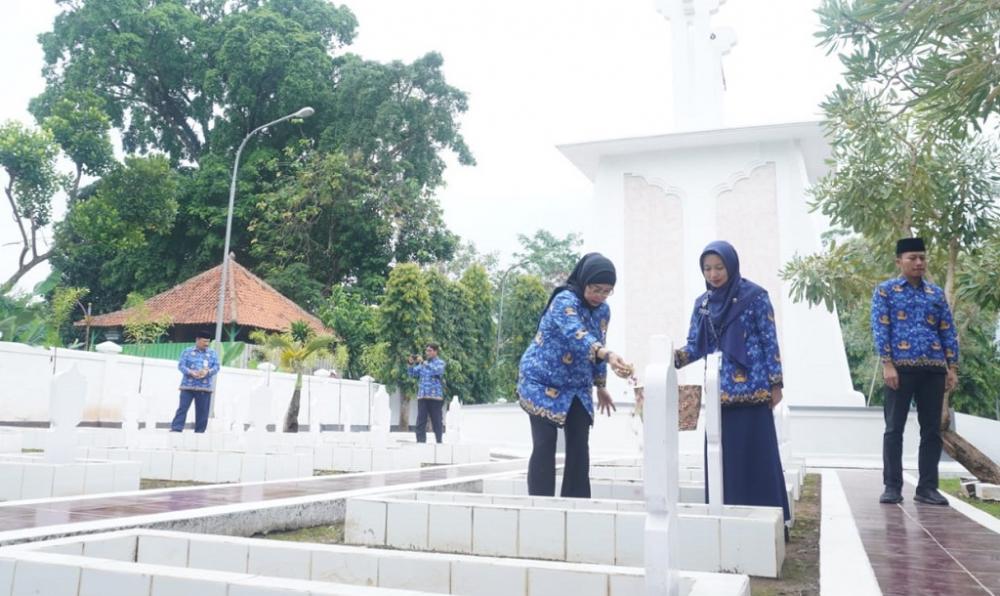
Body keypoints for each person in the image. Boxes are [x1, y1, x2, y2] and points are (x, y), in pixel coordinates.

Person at [674, 241, 791, 526]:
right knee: (722, 461)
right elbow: (696, 345)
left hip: (754, 390)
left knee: (758, 458)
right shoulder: (702, 305)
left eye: (719, 267)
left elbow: (769, 340)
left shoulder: (755, 297)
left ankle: (769, 521)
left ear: (731, 265)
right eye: (707, 269)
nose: (713, 274)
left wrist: (776, 384)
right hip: (719, 395)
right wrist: (670, 359)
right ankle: (725, 520)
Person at [518, 253, 632, 498]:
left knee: (580, 445)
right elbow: (576, 333)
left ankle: (577, 504)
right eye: (595, 289)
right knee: (545, 443)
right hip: (542, 380)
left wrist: (600, 386)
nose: (599, 296)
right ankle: (540, 505)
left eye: (606, 291)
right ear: (584, 281)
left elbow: (599, 341)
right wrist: (608, 355)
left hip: (577, 385)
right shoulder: (565, 301)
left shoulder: (603, 311)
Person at [873, 237, 959, 506]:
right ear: (899, 261)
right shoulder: (886, 291)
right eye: (912, 258)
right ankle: (891, 486)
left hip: (933, 369)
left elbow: (947, 330)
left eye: (922, 257)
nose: (919, 262)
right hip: (899, 369)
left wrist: (951, 367)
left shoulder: (935, 294)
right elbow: (880, 327)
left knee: (932, 430)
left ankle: (927, 488)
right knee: (893, 429)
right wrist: (887, 363)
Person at [171, 330, 220, 433]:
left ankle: (200, 433)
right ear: (197, 340)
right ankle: (176, 429)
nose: (206, 344)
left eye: (208, 342)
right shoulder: (187, 351)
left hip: (204, 387)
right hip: (187, 386)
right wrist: (190, 372)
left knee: (203, 412)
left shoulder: (212, 354)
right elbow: (181, 365)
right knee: (182, 409)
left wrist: (207, 372)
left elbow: (216, 367)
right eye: (204, 341)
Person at [407, 343, 447, 443]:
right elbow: (412, 374)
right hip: (422, 396)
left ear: (435, 351)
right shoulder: (422, 365)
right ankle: (420, 443)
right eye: (426, 351)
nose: (427, 353)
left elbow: (438, 371)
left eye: (429, 351)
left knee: (437, 421)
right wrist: (410, 363)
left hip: (435, 397)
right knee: (420, 421)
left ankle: (439, 442)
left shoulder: (440, 363)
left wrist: (425, 364)